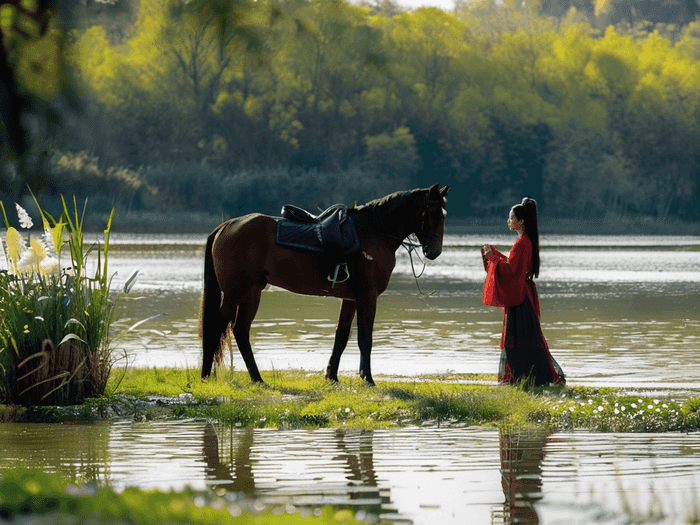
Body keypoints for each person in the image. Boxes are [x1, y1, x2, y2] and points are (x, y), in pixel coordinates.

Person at [481, 198, 565, 387]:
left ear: (521, 222)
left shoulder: (522, 243)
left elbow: (510, 270)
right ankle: (529, 379)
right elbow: (514, 266)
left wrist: (492, 257)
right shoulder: (526, 241)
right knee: (528, 339)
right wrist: (496, 255)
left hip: (520, 299)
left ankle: (522, 379)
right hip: (523, 295)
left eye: (511, 218)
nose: (508, 221)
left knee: (518, 341)